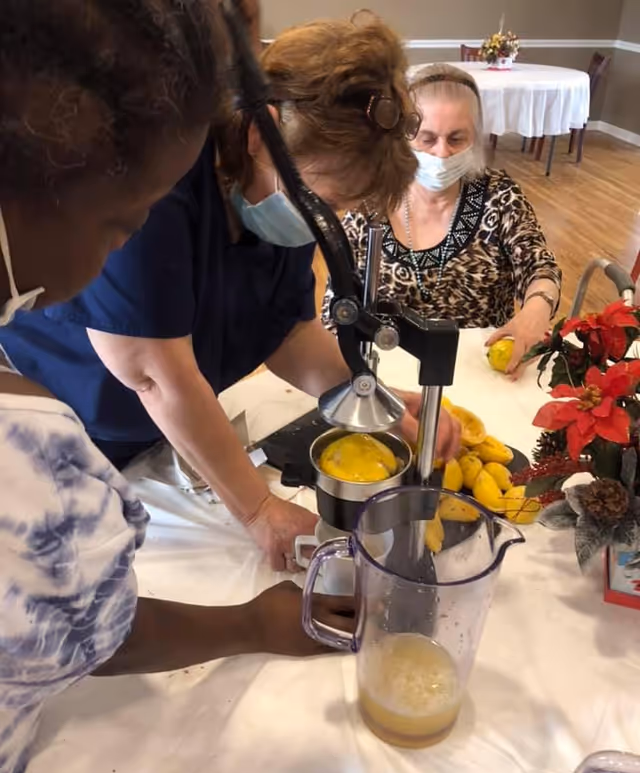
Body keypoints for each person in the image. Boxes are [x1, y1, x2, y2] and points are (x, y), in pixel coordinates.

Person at [0, 3, 356, 773]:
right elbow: (83, 625)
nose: (112, 255)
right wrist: (250, 621)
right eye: (122, 222)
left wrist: (354, 393)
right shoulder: (35, 470)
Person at [0, 19, 460, 573]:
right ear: (260, 133)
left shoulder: (276, 186)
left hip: (171, 429)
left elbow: (286, 328)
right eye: (325, 200)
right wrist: (260, 510)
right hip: (73, 428)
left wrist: (361, 395)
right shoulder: (156, 182)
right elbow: (153, 373)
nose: (327, 220)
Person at [327, 63, 563, 378]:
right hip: (387, 374)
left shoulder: (500, 197)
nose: (441, 153)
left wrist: (536, 309)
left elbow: (540, 268)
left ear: (476, 138)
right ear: (402, 137)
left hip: (481, 372)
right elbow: (336, 313)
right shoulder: (370, 206)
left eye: (456, 138)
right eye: (427, 138)